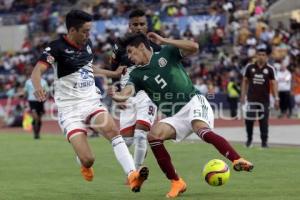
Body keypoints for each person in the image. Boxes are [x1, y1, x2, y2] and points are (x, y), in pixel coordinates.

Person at [112, 32, 254, 198]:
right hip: (175, 116)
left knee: (201, 130)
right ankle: (177, 182)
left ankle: (237, 160)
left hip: (193, 101)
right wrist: (116, 95)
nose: (128, 57)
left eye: (130, 51)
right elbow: (127, 92)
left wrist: (164, 40)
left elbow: (194, 47)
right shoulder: (136, 74)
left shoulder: (166, 53)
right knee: (153, 136)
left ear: (142, 47)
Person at [30, 10, 148, 193]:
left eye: (89, 30)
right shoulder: (56, 48)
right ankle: (84, 164)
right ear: (72, 30)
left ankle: (132, 175)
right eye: (85, 31)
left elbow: (88, 67)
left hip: (90, 101)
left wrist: (113, 73)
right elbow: (37, 71)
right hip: (69, 110)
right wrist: (38, 86)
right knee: (88, 159)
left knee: (112, 131)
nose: (88, 35)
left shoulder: (87, 44)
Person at [110, 9, 160, 169]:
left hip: (148, 94)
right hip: (128, 95)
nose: (139, 27)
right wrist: (117, 95)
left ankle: (136, 173)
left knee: (140, 135)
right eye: (135, 24)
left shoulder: (156, 48)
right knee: (126, 141)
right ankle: (135, 167)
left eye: (142, 24)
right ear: (129, 26)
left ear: (147, 25)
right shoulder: (119, 47)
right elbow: (114, 72)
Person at [240, 44, 279, 148]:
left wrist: (276, 98)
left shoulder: (270, 69)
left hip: (264, 100)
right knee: (249, 120)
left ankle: (264, 142)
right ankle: (249, 140)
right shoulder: (249, 67)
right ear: (256, 56)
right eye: (259, 54)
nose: (261, 56)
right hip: (252, 99)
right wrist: (243, 95)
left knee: (264, 122)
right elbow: (244, 81)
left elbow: (274, 84)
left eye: (263, 55)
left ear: (267, 57)